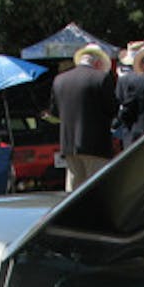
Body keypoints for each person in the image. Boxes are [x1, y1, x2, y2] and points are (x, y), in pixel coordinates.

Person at [48, 43, 117, 190]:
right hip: (96, 145)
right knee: (97, 190)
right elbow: (113, 110)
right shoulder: (101, 79)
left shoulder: (59, 80)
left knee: (73, 190)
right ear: (98, 63)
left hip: (69, 144)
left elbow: (55, 112)